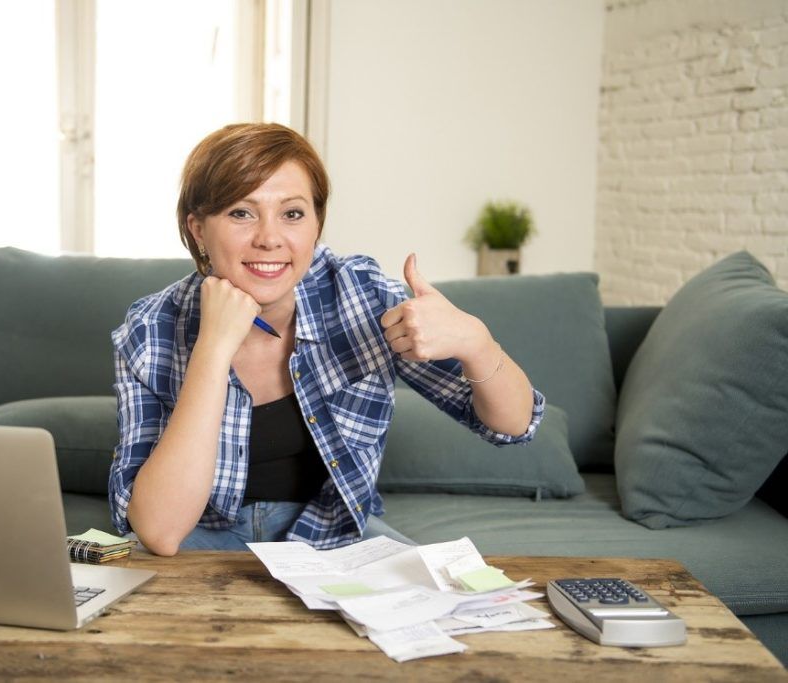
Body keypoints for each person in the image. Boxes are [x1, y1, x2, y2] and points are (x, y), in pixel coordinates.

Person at [109, 123, 545, 556]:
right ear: (199, 229)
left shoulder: (361, 295)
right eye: (241, 212)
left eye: (292, 214)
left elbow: (512, 425)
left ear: (316, 224)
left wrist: (476, 342)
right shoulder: (150, 329)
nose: (269, 238)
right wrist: (213, 349)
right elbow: (160, 532)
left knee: (448, 589)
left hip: (333, 536)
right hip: (200, 539)